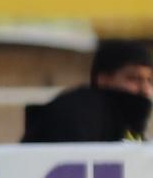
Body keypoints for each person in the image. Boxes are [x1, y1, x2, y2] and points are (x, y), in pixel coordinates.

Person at [21, 40, 152, 144]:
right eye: (133, 78)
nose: (145, 89)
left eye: (150, 80)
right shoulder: (79, 112)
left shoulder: (124, 124)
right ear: (103, 79)